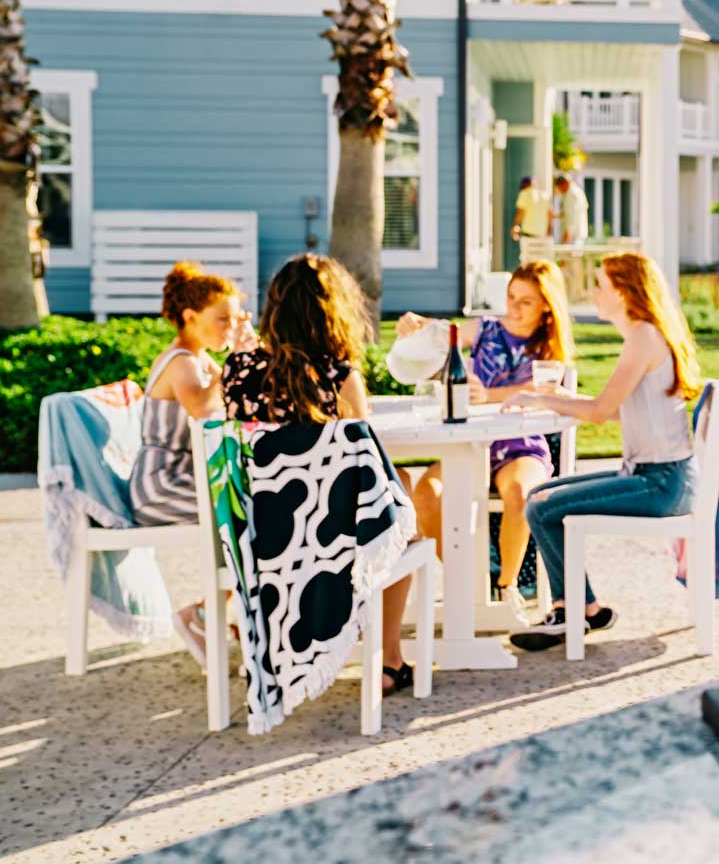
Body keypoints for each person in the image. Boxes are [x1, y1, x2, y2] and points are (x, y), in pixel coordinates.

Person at [222, 254, 418, 693]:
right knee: (399, 502)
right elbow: (362, 460)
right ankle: (388, 660)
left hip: (262, 533)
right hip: (327, 541)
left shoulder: (236, 372)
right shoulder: (339, 377)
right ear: (335, 311)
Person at [500, 250, 701, 651]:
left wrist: (544, 401)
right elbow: (619, 409)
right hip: (659, 476)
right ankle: (584, 608)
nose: (593, 292)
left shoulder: (643, 337)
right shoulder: (644, 335)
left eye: (600, 284)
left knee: (541, 506)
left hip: (660, 483)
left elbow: (597, 413)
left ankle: (569, 610)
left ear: (624, 291)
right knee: (540, 495)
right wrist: (561, 396)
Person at [393, 260, 574, 619]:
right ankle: (468, 584)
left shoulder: (549, 350)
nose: (514, 307)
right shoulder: (488, 328)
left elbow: (546, 389)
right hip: (472, 446)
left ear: (547, 308)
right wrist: (417, 324)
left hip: (521, 447)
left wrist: (490, 395)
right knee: (426, 494)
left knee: (520, 494)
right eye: (511, 297)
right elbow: (444, 332)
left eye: (526, 301)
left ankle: (506, 590)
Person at [128, 260, 257, 663]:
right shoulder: (181, 360)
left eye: (234, 318)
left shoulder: (201, 360)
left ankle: (209, 611)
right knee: (244, 514)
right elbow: (202, 406)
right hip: (160, 485)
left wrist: (246, 353)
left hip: (183, 477)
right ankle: (201, 614)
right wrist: (234, 360)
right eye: (222, 319)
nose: (228, 327)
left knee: (250, 508)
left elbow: (236, 401)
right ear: (190, 317)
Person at [512, 175, 551, 255]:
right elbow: (550, 215)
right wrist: (548, 231)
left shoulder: (524, 194)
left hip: (528, 234)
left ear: (525, 185)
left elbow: (521, 212)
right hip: (542, 234)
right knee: (539, 260)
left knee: (527, 259)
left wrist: (515, 226)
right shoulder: (545, 196)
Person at [554, 172, 588, 247]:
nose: (559, 190)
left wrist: (568, 232)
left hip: (573, 235)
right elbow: (568, 212)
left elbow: (572, 214)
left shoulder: (572, 194)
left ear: (564, 183)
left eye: (559, 187)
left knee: (571, 257)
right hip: (575, 233)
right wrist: (557, 215)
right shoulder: (573, 191)